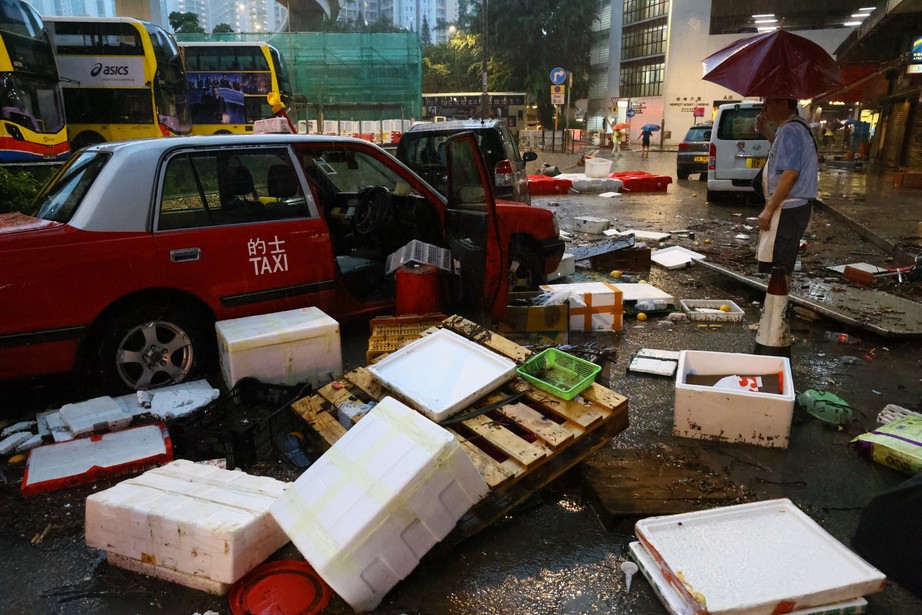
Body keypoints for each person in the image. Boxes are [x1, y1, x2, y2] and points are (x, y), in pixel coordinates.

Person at [754, 97, 818, 286]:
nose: (765, 108)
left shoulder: (791, 130)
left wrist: (768, 209)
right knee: (780, 263)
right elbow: (784, 153)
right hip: (792, 206)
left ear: (783, 103)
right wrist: (766, 130)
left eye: (769, 102)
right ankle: (774, 310)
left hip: (789, 207)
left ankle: (776, 313)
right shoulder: (794, 128)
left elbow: (790, 173)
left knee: (780, 265)